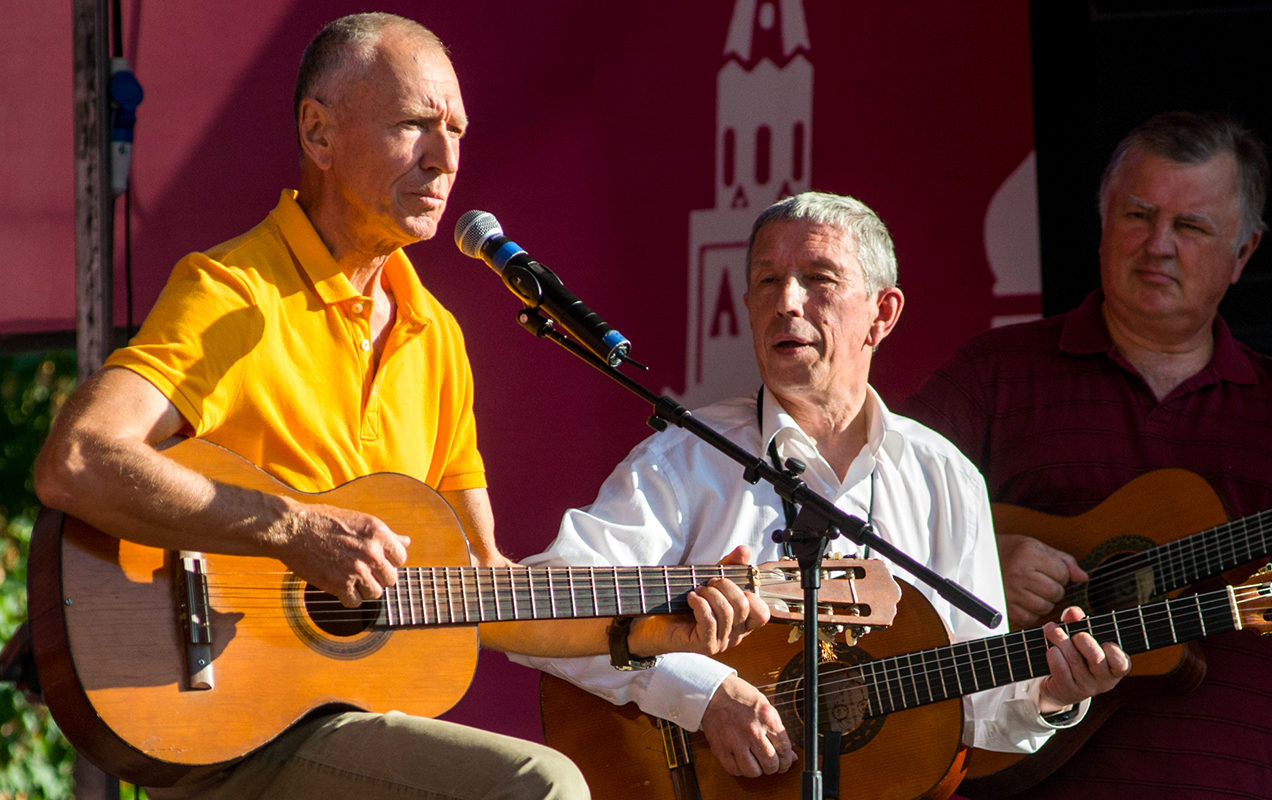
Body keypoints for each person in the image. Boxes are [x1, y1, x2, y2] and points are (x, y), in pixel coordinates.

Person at [31, 13, 766, 799]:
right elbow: (78, 460)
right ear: (318, 133)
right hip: (224, 721)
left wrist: (649, 629)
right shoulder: (232, 292)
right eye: (415, 125)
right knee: (541, 787)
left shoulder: (434, 336)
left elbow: (485, 590)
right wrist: (291, 529)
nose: (445, 160)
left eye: (456, 131)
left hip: (341, 723)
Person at [906, 110, 1272, 798]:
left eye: (1191, 227)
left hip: (1224, 779)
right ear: (1102, 221)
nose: (1158, 245)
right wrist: (987, 563)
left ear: (1243, 253)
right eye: (1138, 216)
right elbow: (878, 526)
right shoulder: (994, 372)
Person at [512, 191, 1130, 781]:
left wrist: (1052, 692)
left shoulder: (942, 476)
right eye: (766, 281)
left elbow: (977, 707)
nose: (787, 301)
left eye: (818, 279)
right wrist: (699, 695)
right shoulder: (684, 459)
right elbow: (535, 617)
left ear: (882, 314)